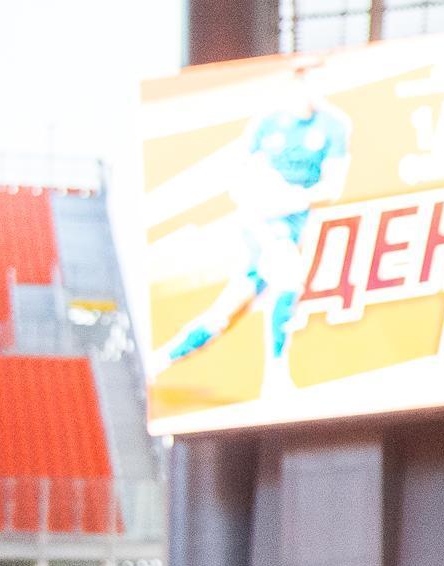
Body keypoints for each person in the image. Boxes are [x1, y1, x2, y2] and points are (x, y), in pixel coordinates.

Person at [150, 61, 352, 396]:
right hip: (261, 221)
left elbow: (332, 188)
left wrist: (292, 198)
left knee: (228, 311)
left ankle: (161, 360)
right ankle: (276, 379)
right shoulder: (268, 123)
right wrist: (262, 194)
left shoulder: (334, 125)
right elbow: (237, 178)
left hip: (294, 220)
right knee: (288, 278)